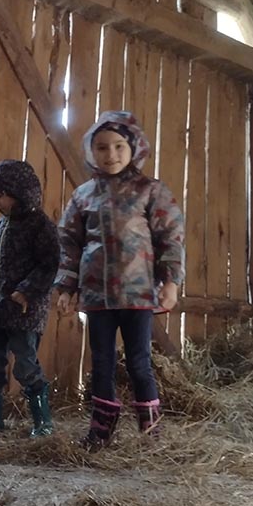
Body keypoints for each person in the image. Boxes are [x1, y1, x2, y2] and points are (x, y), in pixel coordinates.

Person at [55, 111, 184, 449]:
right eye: (102, 147)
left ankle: (151, 432)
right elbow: (69, 242)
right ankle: (100, 431)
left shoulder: (150, 190)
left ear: (134, 147)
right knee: (101, 362)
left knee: (140, 361)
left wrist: (170, 281)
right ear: (91, 150)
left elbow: (170, 237)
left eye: (118, 146)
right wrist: (66, 287)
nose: (110, 154)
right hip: (97, 296)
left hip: (137, 293)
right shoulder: (83, 195)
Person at [0, 159, 60, 438]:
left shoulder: (40, 226)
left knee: (25, 364)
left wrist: (26, 291)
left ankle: (42, 422)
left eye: (1, 196)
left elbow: (50, 264)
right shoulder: (0, 225)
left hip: (24, 312)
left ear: (20, 193)